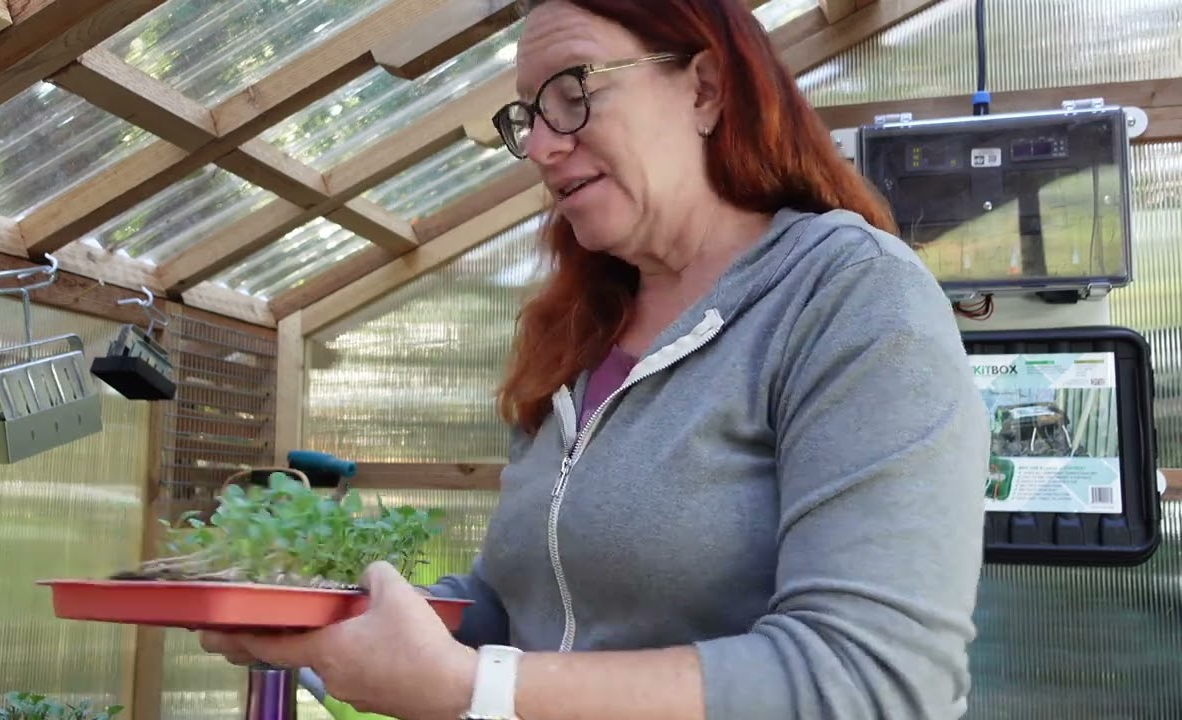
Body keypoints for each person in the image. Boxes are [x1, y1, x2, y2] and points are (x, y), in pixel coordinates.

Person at [198, 0, 990, 718]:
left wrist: (474, 691)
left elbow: (872, 680)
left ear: (705, 88)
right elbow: (517, 608)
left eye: (574, 91)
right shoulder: (579, 330)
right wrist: (319, 612)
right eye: (529, 116)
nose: (542, 145)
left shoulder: (847, 294)